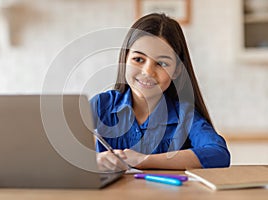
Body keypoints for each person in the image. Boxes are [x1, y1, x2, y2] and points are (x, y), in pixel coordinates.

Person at [90, 13, 230, 171]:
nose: (148, 72)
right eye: (139, 59)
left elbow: (219, 154)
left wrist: (142, 160)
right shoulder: (101, 105)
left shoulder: (185, 115)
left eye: (161, 63)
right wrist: (93, 160)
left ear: (176, 71)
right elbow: (60, 150)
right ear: (125, 60)